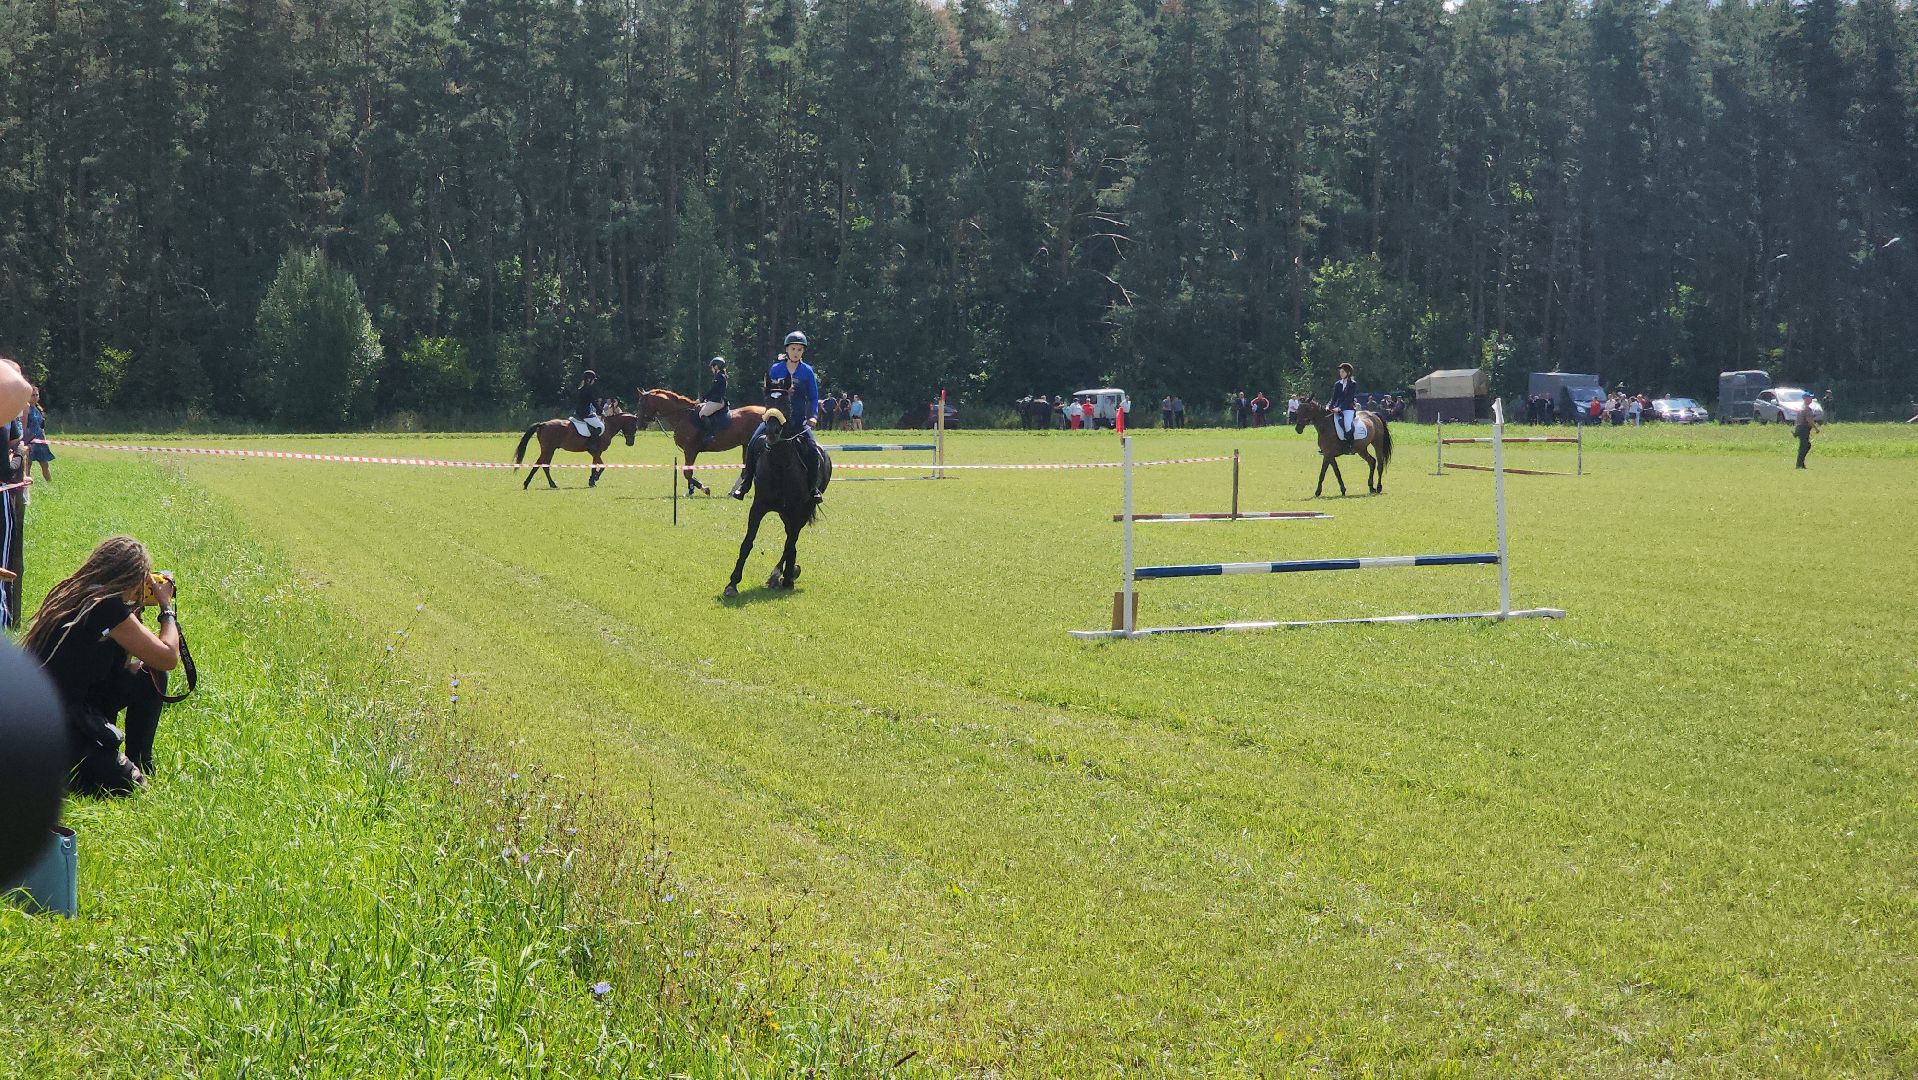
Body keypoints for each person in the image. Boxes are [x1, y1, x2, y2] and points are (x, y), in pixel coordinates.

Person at [24, 537, 181, 795]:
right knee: (132, 786)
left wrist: (134, 610)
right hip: (53, 726)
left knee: (149, 674)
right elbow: (168, 657)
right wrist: (166, 608)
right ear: (129, 578)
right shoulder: (106, 607)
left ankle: (139, 761)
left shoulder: (78, 593)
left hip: (60, 708)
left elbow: (126, 664)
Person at [732, 331, 824, 502]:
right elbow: (768, 393)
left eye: (799, 349)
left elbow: (813, 397)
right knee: (752, 444)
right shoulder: (776, 369)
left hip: (797, 421)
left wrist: (813, 416)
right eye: (793, 349)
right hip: (774, 419)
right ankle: (745, 485)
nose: (796, 352)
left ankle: (813, 489)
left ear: (803, 351)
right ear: (787, 350)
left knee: (812, 449)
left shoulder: (807, 371)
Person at [693, 356, 729, 448]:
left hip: (718, 401)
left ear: (716, 366)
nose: (711, 369)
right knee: (699, 409)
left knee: (702, 414)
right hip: (715, 400)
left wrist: (702, 399)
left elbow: (713, 391)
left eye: (712, 367)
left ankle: (710, 435)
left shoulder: (720, 377)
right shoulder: (719, 376)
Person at [1328, 363, 1359, 451]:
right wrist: (1329, 406)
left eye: (1343, 372)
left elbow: (1349, 398)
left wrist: (1340, 408)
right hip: (1337, 408)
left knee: (1347, 425)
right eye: (1340, 372)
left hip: (1348, 408)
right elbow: (1334, 397)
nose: (1340, 373)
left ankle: (1350, 445)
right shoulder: (1338, 384)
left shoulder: (1352, 384)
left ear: (1348, 373)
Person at [572, 370, 605, 440]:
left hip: (578, 412)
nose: (593, 381)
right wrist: (600, 411)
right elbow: (592, 401)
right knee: (600, 427)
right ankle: (591, 443)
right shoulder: (588, 389)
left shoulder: (580, 388)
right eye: (593, 379)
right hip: (585, 413)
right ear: (589, 379)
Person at [1794, 398, 1821, 469]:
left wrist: (1796, 430)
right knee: (1804, 446)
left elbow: (1797, 419)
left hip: (1801, 429)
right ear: (1806, 399)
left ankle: (1801, 463)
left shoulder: (1802, 407)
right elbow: (1808, 419)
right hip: (1803, 429)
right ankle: (1799, 464)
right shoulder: (1806, 409)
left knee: (1806, 445)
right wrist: (1816, 428)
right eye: (1809, 398)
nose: (1811, 400)